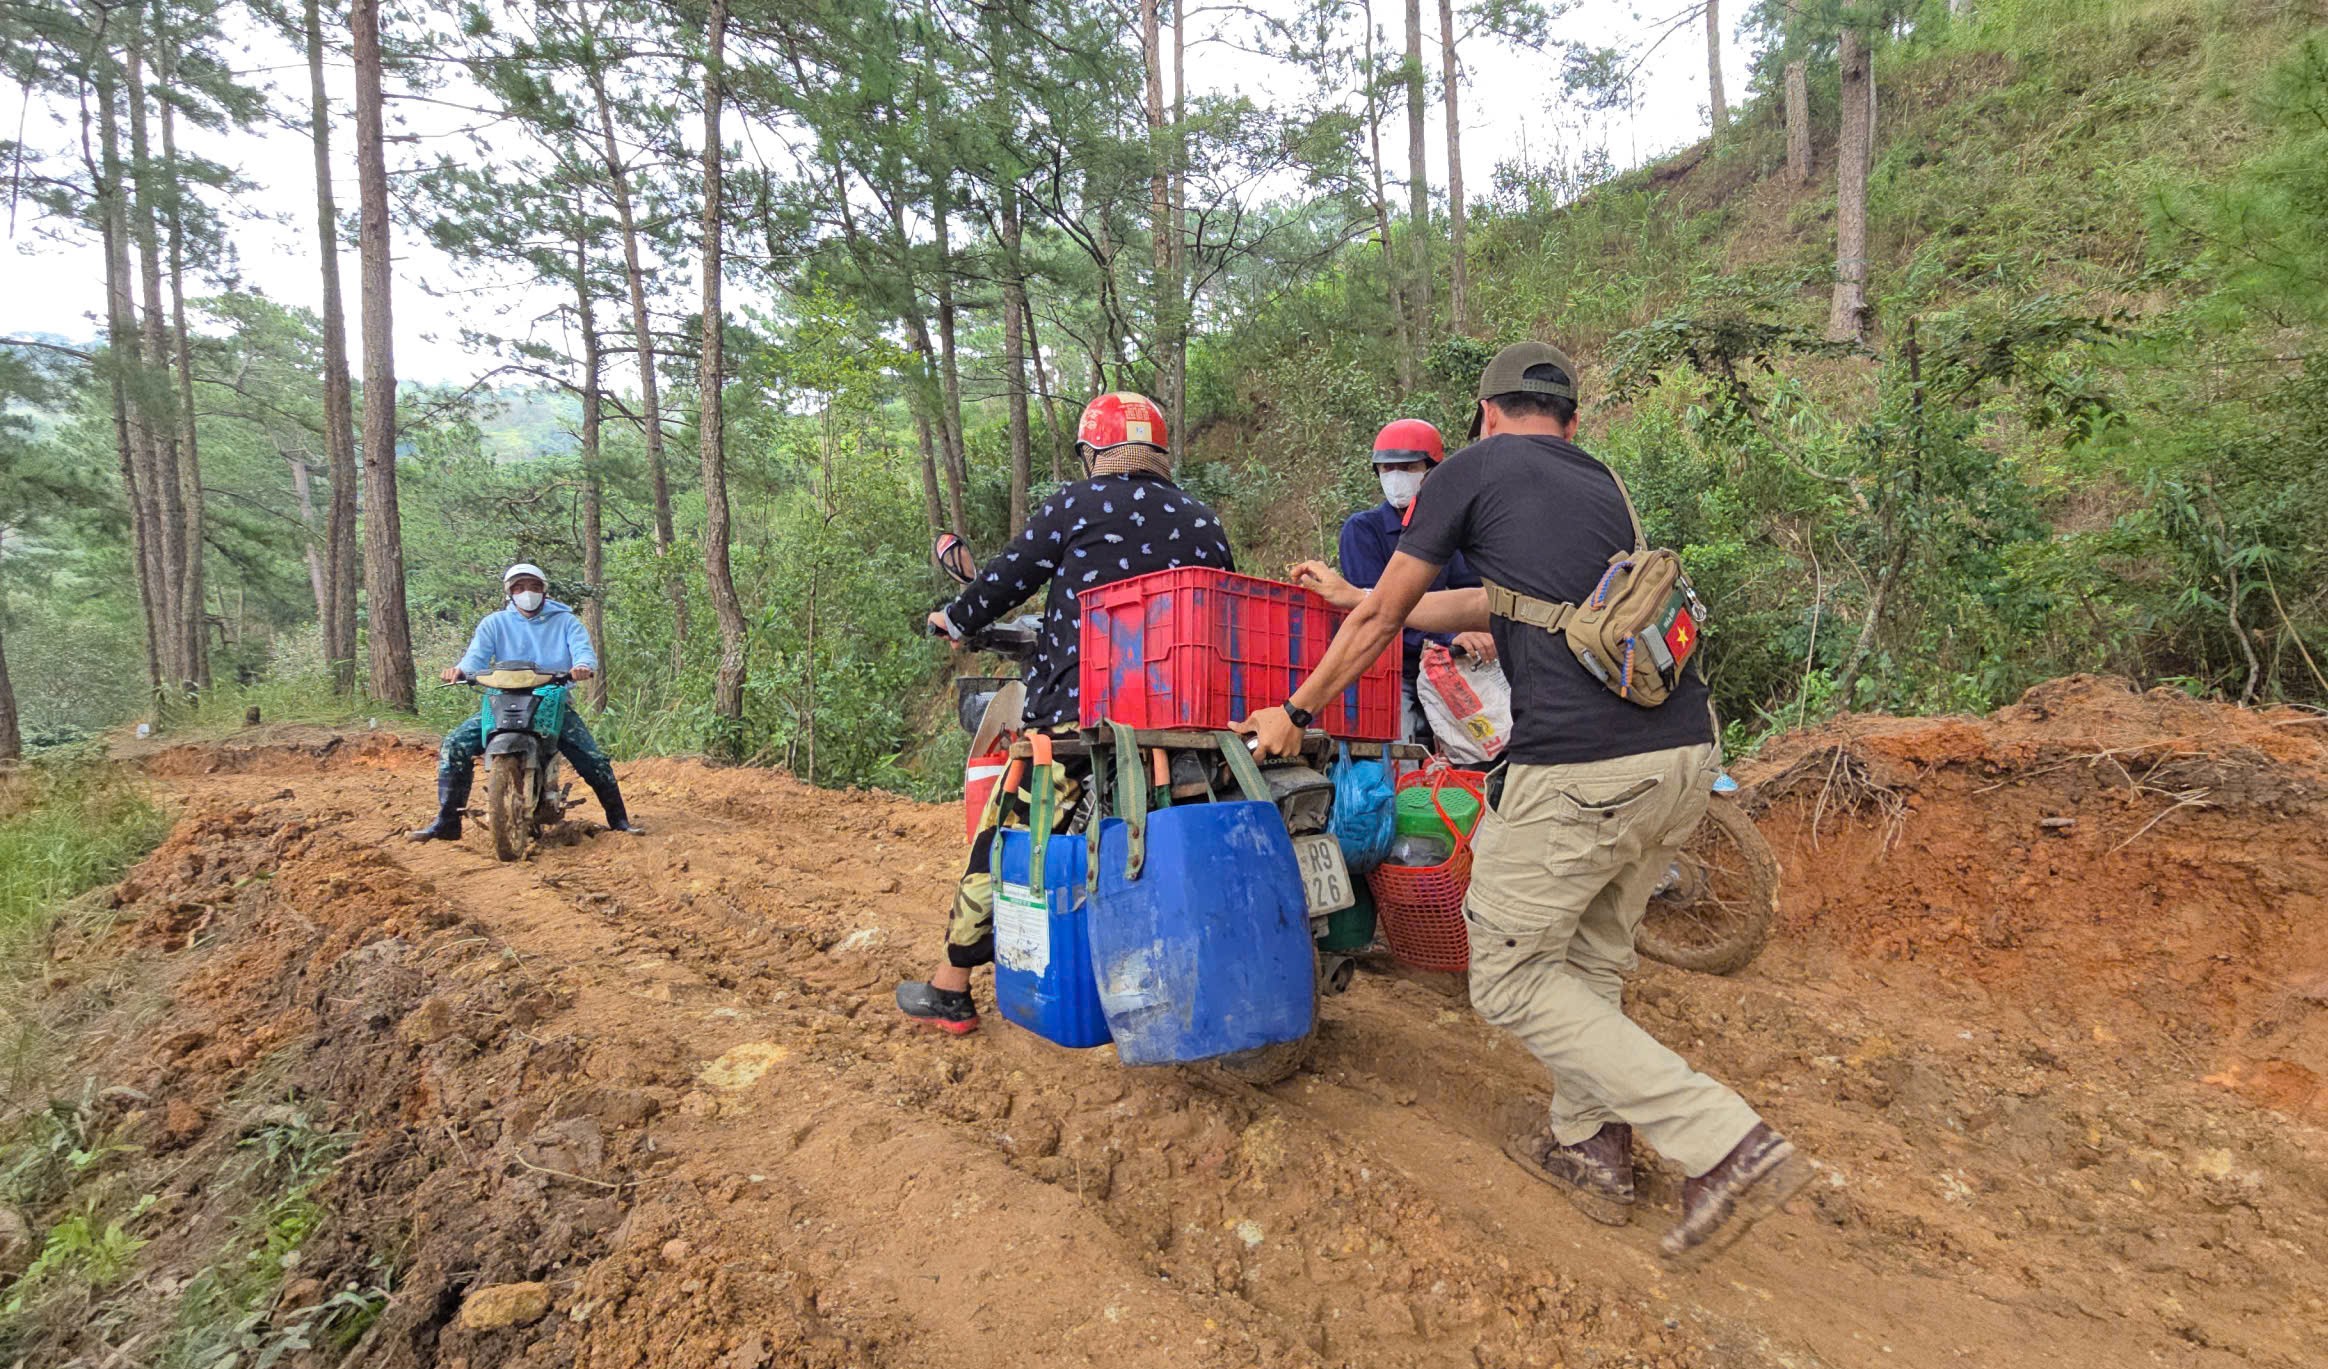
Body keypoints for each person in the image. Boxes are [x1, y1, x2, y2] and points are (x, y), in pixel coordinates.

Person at [1240, 342, 1807, 1264]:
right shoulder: (1603, 485)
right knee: (1588, 955)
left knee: (1504, 974)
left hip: (1582, 770)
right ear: (1571, 422)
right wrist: (1362, 590)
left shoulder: (1472, 469)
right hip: (1684, 757)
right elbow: (1484, 605)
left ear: (1484, 414)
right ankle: (1593, 1145)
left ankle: (1721, 1139)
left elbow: (1385, 619)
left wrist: (1295, 711)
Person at [896, 393, 1235, 1034]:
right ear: (1159, 454)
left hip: (1080, 712)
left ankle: (951, 988)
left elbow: (1006, 578)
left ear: (1091, 455)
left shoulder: (1079, 504)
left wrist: (956, 617)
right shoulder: (1202, 518)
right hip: (1185, 712)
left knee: (1006, 836)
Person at [409, 563, 637, 841]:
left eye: (533, 586)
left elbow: (583, 653)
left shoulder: (566, 622)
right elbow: (475, 658)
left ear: (544, 590)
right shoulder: (494, 623)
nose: (526, 592)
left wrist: (581, 666)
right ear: (509, 593)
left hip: (551, 699)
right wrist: (460, 671)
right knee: (455, 745)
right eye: (518, 587)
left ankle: (619, 820)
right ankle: (446, 821)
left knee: (592, 758)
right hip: (503, 699)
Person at [1337, 418, 1493, 744]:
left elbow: (1476, 587)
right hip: (1393, 670)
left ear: (1432, 469)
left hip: (1450, 662)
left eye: (1408, 467)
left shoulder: (1449, 527)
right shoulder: (1363, 531)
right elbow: (1375, 608)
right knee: (1399, 752)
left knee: (1496, 736)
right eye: (1387, 469)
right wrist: (1453, 633)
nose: (1396, 477)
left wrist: (1481, 627)